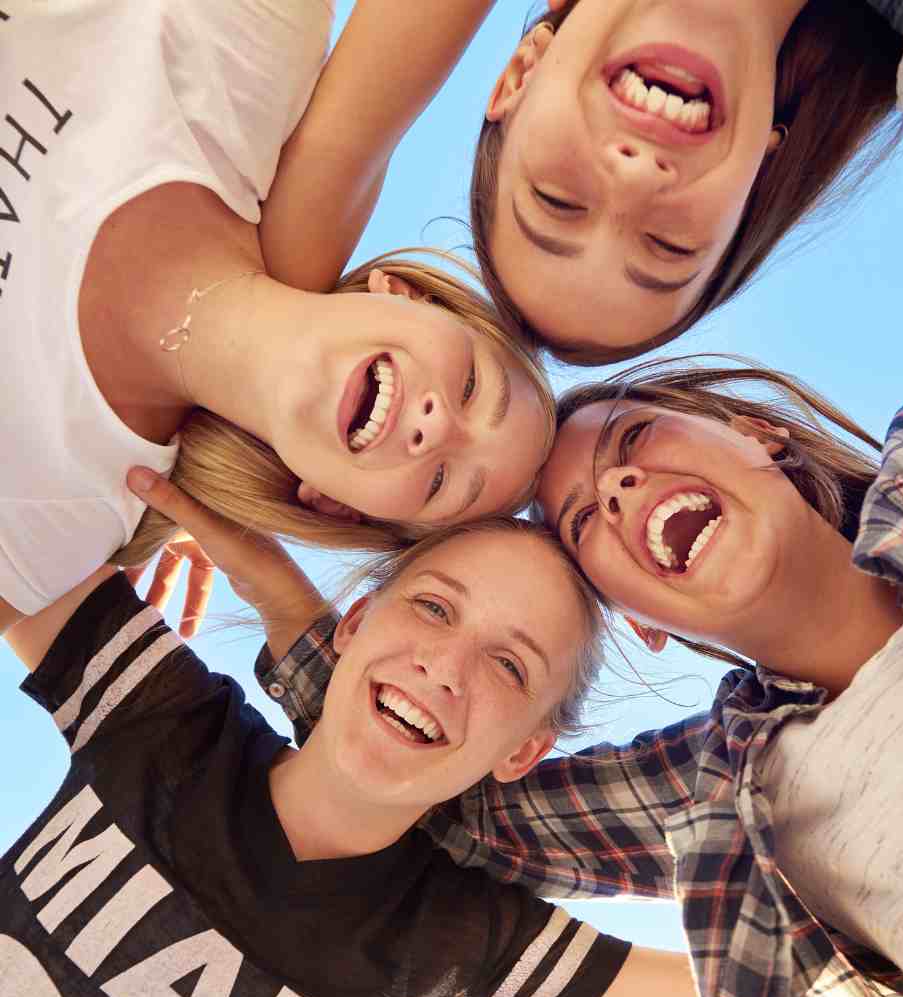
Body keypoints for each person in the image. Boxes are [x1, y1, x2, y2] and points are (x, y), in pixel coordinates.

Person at [228, 161, 903, 997]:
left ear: (757, 437)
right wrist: (271, 571)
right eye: (585, 521)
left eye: (635, 440)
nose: (622, 485)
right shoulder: (716, 794)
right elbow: (436, 769)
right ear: (641, 620)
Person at [0, 505, 719, 997]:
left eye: (508, 665)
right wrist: (159, 495)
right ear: (353, 622)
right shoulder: (163, 721)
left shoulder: (469, 950)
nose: (444, 667)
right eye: (435, 609)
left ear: (524, 751)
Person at [0, 1, 555, 637]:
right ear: (405, 295)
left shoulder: (60, 523)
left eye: (438, 483)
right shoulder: (249, 47)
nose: (438, 429)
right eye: (472, 388)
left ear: (340, 507)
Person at [468, 0, 903, 363]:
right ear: (757, 174)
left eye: (557, 201)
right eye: (669, 245)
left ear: (520, 75)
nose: (633, 177)